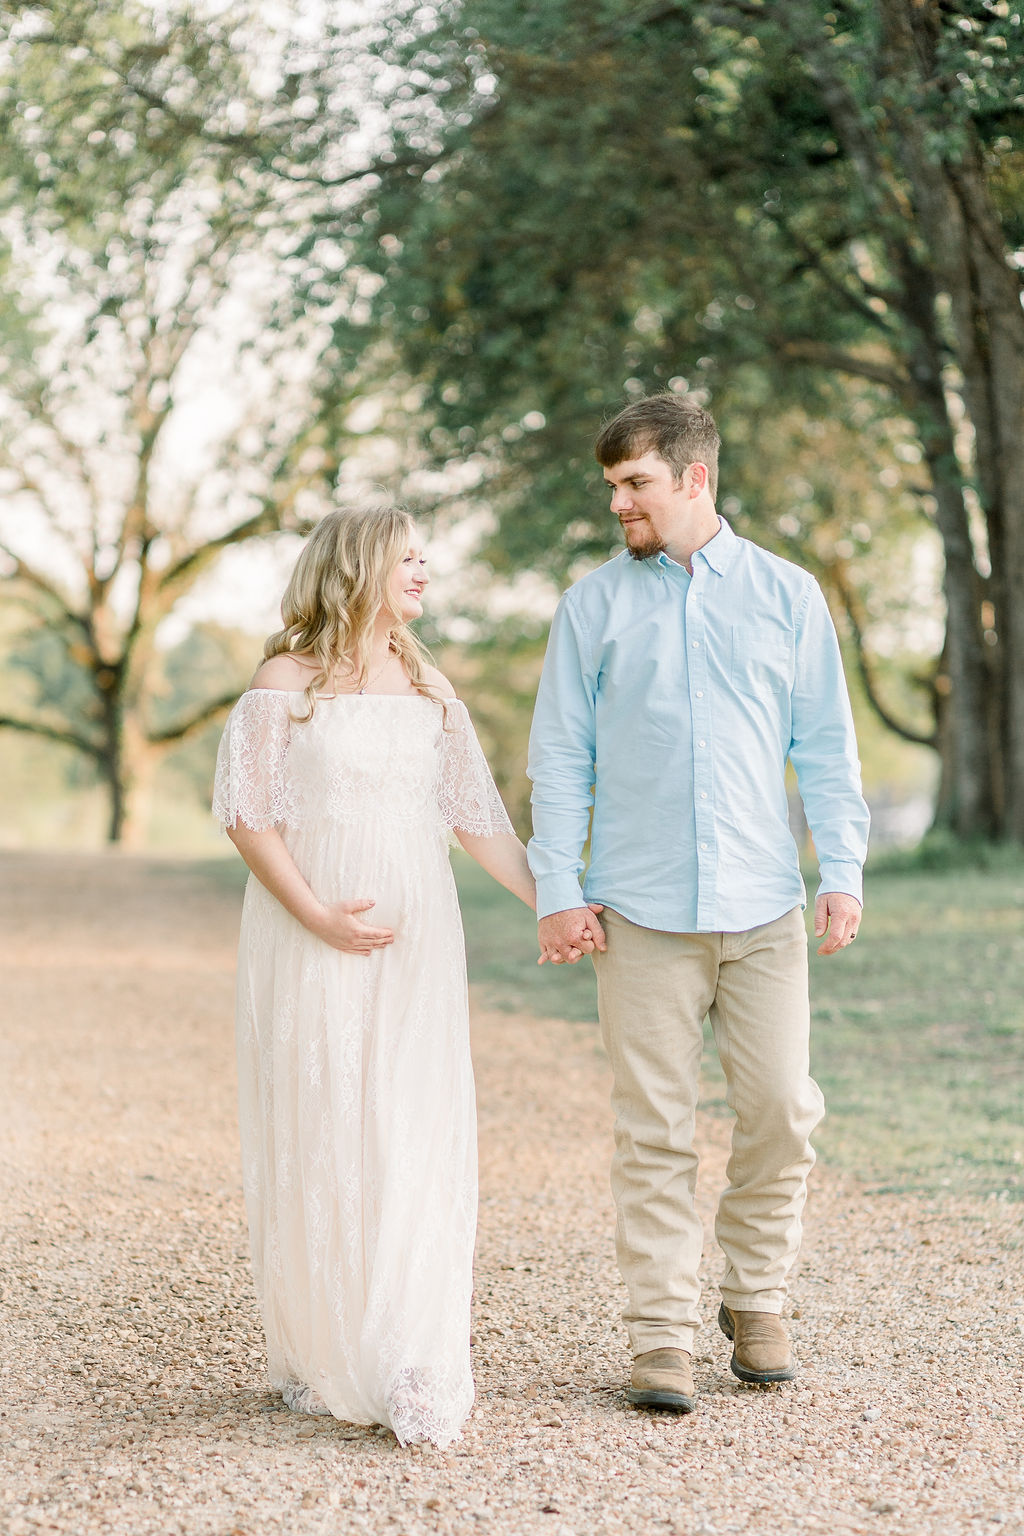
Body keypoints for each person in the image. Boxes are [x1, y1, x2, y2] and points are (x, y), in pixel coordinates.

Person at [527, 394, 869, 1413]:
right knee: (655, 1131)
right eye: (611, 487)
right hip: (636, 914)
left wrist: (840, 871)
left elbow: (826, 747)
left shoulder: (786, 594)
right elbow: (557, 759)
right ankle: (660, 1335)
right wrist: (558, 889)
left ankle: (754, 1294)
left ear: (694, 478)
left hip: (763, 909)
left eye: (635, 484)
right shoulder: (591, 606)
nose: (619, 503)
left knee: (778, 1112)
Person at [212, 504, 535, 1448]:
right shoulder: (286, 679)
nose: (424, 574)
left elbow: (479, 821)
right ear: (356, 567)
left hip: (420, 932)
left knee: (409, 1121)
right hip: (309, 929)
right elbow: (247, 815)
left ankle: (411, 1354)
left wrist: (556, 905)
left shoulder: (430, 684)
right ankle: (326, 1344)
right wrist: (313, 912)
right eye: (408, 559)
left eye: (427, 559)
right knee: (325, 1118)